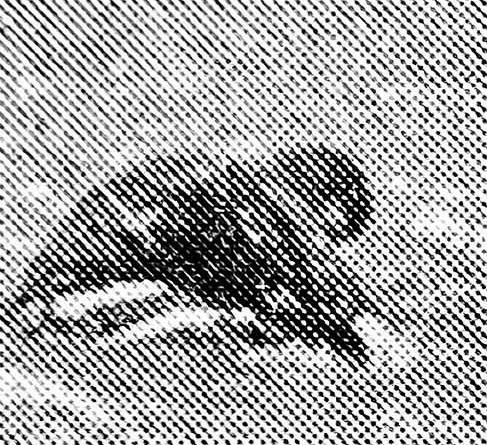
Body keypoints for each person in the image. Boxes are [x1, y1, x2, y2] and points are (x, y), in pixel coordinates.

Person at [13, 147, 383, 357]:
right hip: (67, 305)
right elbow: (318, 293)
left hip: (60, 294)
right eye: (328, 234)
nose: (323, 245)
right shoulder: (254, 211)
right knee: (223, 321)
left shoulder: (227, 184)